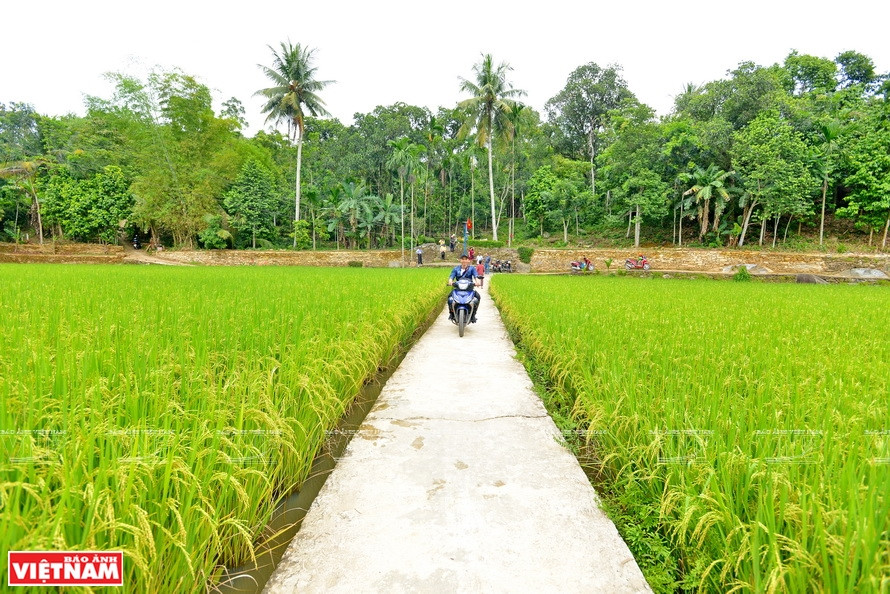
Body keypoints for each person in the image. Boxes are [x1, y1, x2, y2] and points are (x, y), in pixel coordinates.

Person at [447, 254, 481, 323]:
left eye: (466, 259)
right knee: (449, 298)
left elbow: (476, 276)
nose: (464, 261)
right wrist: (450, 281)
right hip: (458, 288)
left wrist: (477, 282)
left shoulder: (472, 268)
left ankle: (473, 314)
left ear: (468, 260)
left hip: (469, 288)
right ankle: (451, 313)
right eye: (462, 259)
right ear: (460, 260)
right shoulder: (456, 269)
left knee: (477, 297)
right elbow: (451, 276)